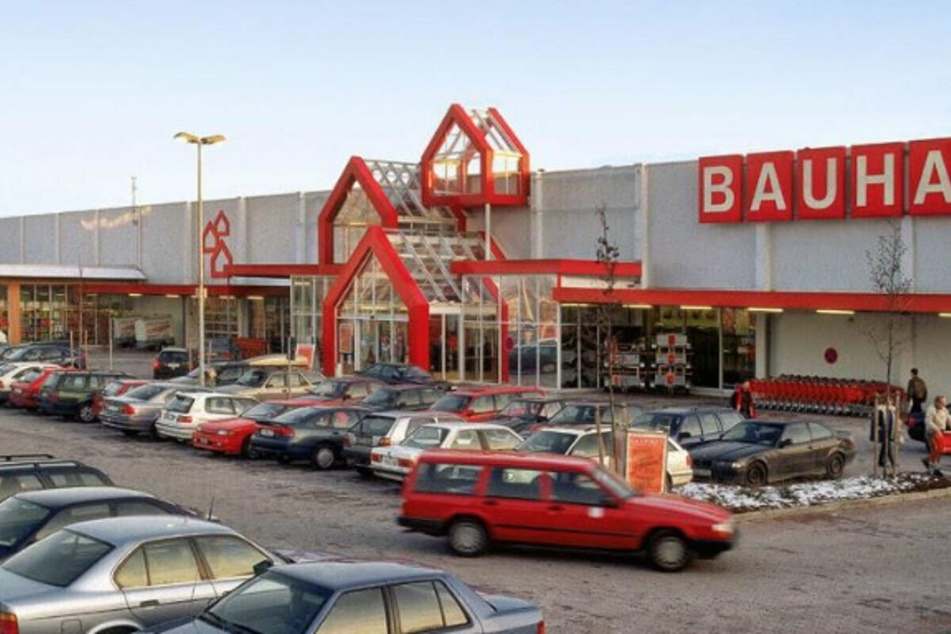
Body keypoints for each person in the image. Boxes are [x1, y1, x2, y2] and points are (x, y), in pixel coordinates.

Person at [923, 395, 949, 476]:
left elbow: (948, 419)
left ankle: (933, 464)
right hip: (932, 432)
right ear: (936, 402)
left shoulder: (944, 409)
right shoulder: (931, 409)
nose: (943, 404)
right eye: (941, 403)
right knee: (935, 449)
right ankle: (931, 467)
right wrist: (936, 429)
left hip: (941, 432)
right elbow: (928, 421)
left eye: (944, 403)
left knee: (940, 450)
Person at [872, 393, 899, 471]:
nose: (890, 402)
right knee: (887, 445)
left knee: (885, 446)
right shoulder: (881, 409)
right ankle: (892, 462)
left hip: (890, 429)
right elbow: (877, 416)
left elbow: (896, 411)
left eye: (890, 400)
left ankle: (880, 461)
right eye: (889, 400)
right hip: (883, 429)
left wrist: (896, 397)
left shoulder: (892, 409)